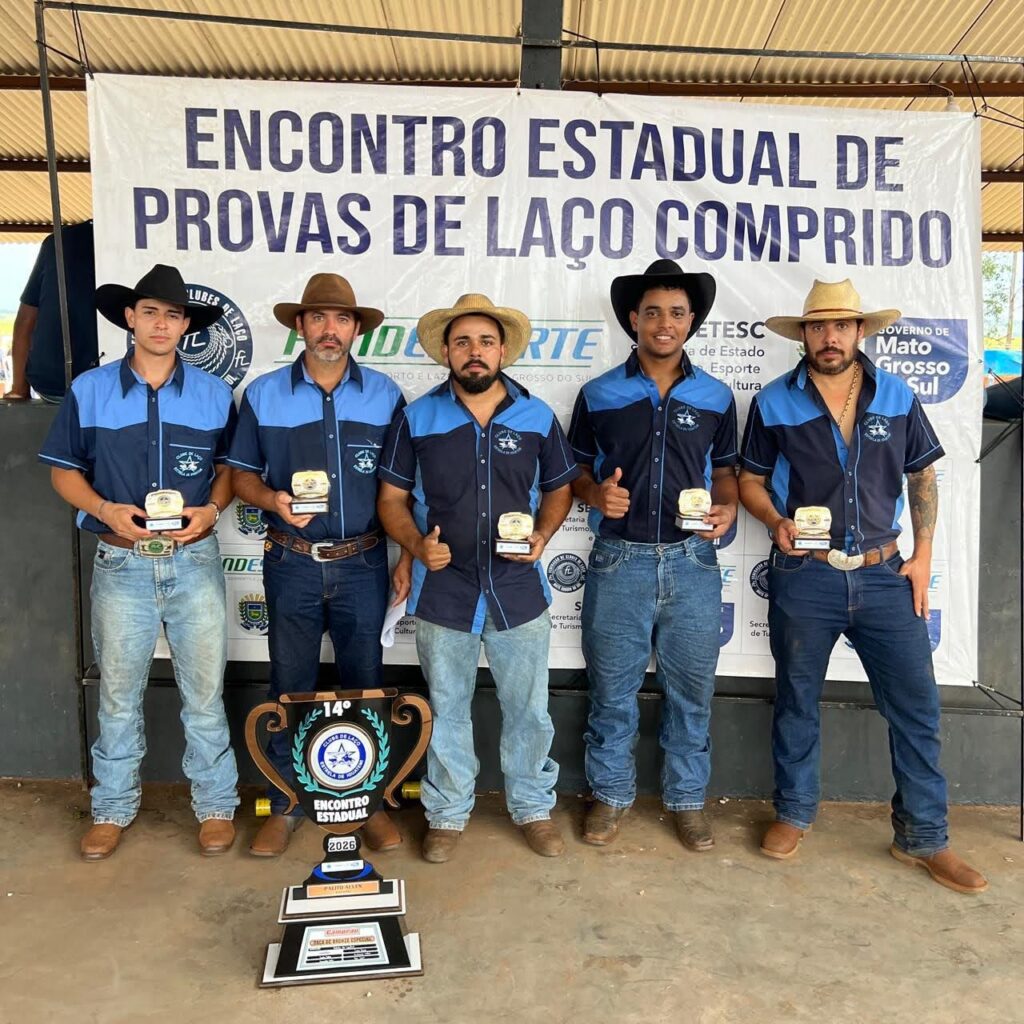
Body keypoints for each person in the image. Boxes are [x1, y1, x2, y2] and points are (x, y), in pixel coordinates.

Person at [737, 277, 987, 894]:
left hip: (884, 574)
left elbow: (922, 478)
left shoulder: (897, 396)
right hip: (806, 575)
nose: (830, 337)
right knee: (797, 700)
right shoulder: (773, 402)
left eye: (841, 326)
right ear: (804, 336)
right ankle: (793, 814)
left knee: (917, 707)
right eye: (819, 327)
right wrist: (775, 521)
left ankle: (924, 837)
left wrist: (923, 557)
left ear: (859, 332)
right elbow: (749, 482)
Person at [38, 263, 239, 860]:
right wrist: (105, 507)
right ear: (129, 317)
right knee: (119, 694)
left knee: (204, 693)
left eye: (173, 314)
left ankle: (215, 805)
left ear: (185, 326)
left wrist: (212, 509)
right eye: (150, 311)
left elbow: (229, 471)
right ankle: (112, 807)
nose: (161, 323)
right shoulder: (90, 390)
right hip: (121, 560)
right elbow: (62, 470)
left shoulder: (212, 394)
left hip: (195, 559)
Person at [377, 293, 578, 862]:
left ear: (502, 350)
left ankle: (533, 807)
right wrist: (415, 547)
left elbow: (560, 486)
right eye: (462, 341)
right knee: (447, 707)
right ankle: (446, 811)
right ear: (445, 351)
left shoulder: (536, 415)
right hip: (444, 592)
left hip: (519, 593)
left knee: (529, 710)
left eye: (486, 341)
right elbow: (391, 498)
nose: (475, 352)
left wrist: (543, 535)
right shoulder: (417, 418)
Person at [228, 273, 409, 858]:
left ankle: (371, 801)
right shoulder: (262, 394)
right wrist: (271, 500)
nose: (330, 330)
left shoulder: (385, 395)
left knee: (366, 685)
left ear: (357, 329)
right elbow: (240, 476)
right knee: (291, 685)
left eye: (341, 319)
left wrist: (406, 551)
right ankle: (283, 802)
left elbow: (402, 488)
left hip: (363, 561)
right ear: (300, 326)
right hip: (292, 561)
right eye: (318, 318)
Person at [567, 259, 738, 851]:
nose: (664, 323)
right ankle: (610, 797)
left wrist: (729, 508)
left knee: (691, 693)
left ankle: (688, 801)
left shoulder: (716, 396)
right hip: (619, 561)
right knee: (611, 693)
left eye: (676, 313)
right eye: (652, 312)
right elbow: (575, 473)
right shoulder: (598, 394)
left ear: (691, 321)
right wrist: (595, 494)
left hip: (693, 562)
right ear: (633, 319)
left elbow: (728, 472)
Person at [7, 221, 98, 402]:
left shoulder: (58, 241)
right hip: (117, 385)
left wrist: (18, 388)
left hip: (55, 383)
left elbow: (26, 320)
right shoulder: (141, 239)